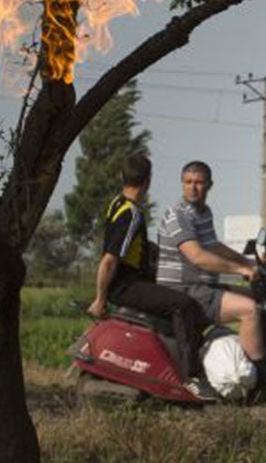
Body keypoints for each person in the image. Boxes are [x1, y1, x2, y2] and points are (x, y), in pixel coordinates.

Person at [86, 152, 211, 394]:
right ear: (148, 182)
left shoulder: (117, 203)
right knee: (183, 305)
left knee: (181, 294)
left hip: (129, 281)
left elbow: (134, 248)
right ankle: (192, 378)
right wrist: (100, 299)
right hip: (126, 286)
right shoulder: (131, 214)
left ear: (124, 178)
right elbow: (109, 261)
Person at [157, 160, 266, 373]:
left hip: (202, 287)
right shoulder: (179, 215)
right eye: (188, 182)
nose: (193, 187)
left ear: (209, 185)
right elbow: (198, 257)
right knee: (249, 310)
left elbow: (213, 246)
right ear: (182, 184)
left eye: (199, 182)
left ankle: (262, 359)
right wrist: (240, 269)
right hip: (185, 288)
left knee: (259, 300)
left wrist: (248, 262)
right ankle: (261, 376)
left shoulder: (202, 212)